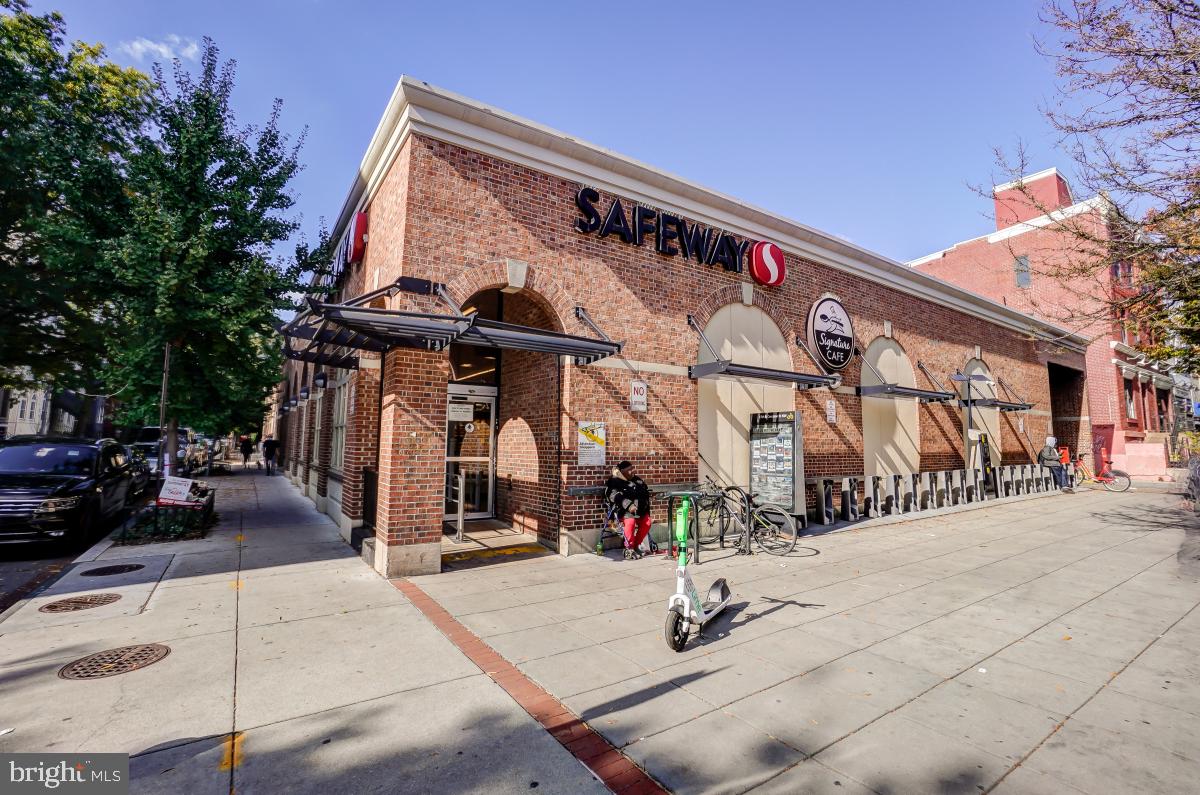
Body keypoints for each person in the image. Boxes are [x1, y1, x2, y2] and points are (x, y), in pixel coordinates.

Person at [605, 460, 652, 560]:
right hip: (622, 512)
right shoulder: (614, 481)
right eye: (629, 470)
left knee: (647, 522)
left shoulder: (637, 480)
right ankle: (629, 547)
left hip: (639, 511)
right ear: (622, 471)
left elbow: (645, 493)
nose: (632, 471)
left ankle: (636, 545)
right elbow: (614, 496)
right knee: (630, 521)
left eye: (632, 469)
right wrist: (629, 505)